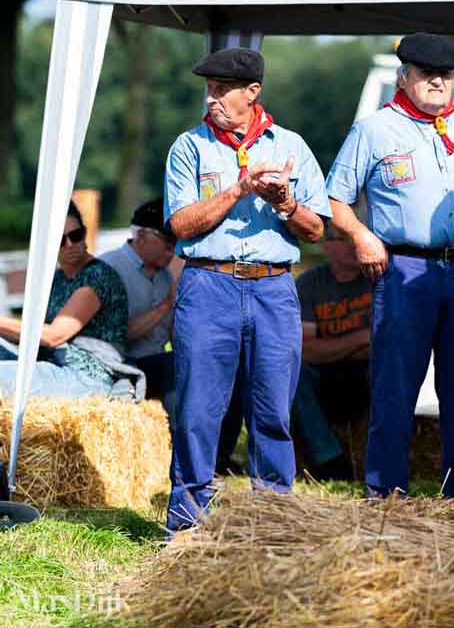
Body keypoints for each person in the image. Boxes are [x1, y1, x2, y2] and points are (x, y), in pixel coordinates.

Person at [326, 33, 454, 499]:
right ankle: (386, 498)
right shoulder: (374, 130)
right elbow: (334, 200)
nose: (437, 82)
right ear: (404, 76)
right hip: (404, 270)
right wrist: (361, 236)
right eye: (426, 74)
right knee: (395, 390)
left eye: (446, 75)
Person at [164, 46, 330, 534]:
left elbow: (316, 230)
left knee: (273, 408)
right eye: (209, 89)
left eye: (222, 90)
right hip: (207, 282)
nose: (212, 99)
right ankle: (187, 526)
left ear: (252, 92)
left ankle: (273, 522)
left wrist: (284, 202)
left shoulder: (292, 147)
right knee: (197, 409)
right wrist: (237, 189)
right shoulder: (189, 147)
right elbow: (182, 224)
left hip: (273, 288)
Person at [0, 200, 135, 398]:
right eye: (60, 240)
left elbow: (54, 335)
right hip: (55, 364)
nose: (70, 245)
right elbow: (34, 335)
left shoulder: (98, 276)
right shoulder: (57, 279)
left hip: (89, 377)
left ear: (85, 235)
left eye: (76, 235)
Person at [291, 223, 373, 482]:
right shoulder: (309, 283)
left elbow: (384, 344)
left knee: (386, 367)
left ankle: (379, 457)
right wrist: (360, 338)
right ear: (326, 246)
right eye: (343, 239)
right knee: (295, 375)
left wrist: (332, 348)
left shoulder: (376, 280)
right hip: (324, 374)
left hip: (365, 371)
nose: (352, 245)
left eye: (354, 239)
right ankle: (330, 461)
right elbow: (306, 351)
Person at [98, 198, 177, 424]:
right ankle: (181, 445)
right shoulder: (108, 269)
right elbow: (117, 333)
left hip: (152, 364)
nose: (172, 249)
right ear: (141, 235)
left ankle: (218, 455)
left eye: (176, 242)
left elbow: (173, 333)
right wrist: (165, 305)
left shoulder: (165, 276)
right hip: (119, 364)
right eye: (167, 240)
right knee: (175, 365)